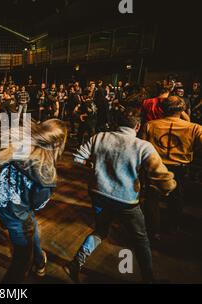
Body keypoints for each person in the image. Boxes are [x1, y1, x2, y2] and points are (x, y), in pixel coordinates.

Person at [64, 108, 176, 283]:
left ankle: (75, 263)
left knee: (100, 230)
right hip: (126, 201)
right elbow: (161, 176)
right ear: (137, 126)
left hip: (98, 193)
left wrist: (97, 169)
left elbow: (77, 158)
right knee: (141, 239)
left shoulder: (99, 137)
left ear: (116, 124)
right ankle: (148, 278)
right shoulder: (143, 146)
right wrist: (169, 188)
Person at [0, 119, 67, 283]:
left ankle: (40, 261)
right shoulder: (47, 175)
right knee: (21, 264)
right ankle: (36, 263)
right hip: (18, 218)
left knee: (32, 228)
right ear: (57, 145)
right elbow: (37, 205)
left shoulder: (15, 146)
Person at [142, 96, 202, 237]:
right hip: (179, 168)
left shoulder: (150, 125)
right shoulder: (194, 128)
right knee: (176, 198)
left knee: (152, 198)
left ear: (162, 109)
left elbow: (142, 147)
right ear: (182, 110)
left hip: (155, 166)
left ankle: (152, 230)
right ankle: (172, 227)